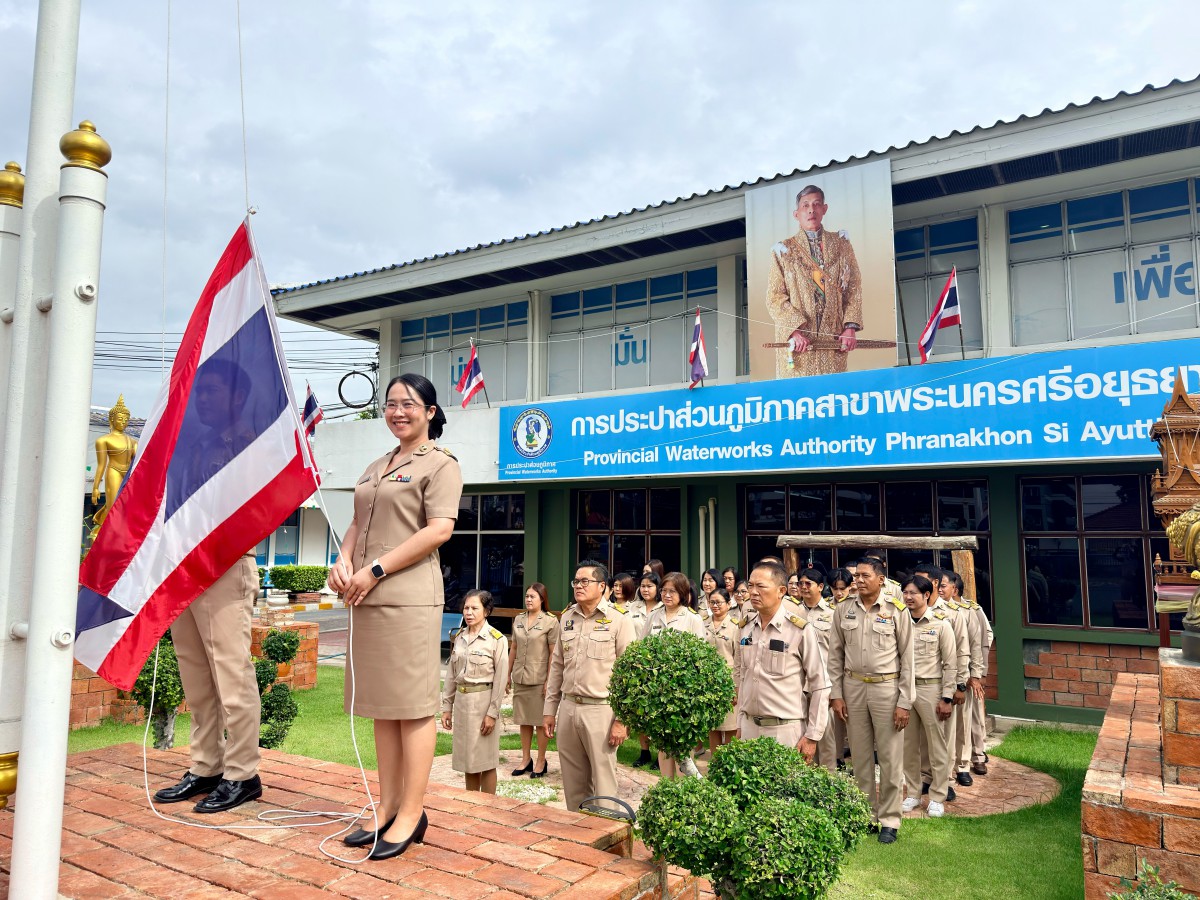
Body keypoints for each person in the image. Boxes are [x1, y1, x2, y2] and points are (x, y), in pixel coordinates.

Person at [329, 373, 461, 860]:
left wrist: (376, 569)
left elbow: (439, 530)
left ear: (430, 412)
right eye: (390, 404)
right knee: (382, 705)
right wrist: (342, 561)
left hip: (407, 598)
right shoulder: (376, 466)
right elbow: (357, 523)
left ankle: (412, 811)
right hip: (366, 597)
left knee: (412, 706)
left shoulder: (441, 464)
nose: (398, 412)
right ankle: (386, 806)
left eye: (408, 404)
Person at [154, 362, 265, 814]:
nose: (201, 399)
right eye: (199, 392)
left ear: (237, 397)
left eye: (211, 391)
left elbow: (258, 508)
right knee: (196, 674)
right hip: (185, 567)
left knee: (232, 676)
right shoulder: (195, 445)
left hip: (225, 566)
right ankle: (206, 766)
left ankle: (242, 774)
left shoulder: (252, 445)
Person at [828, 558, 914, 845]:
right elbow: (835, 655)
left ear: (881, 579)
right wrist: (836, 694)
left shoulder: (896, 610)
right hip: (852, 687)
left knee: (890, 757)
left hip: (886, 688)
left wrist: (904, 702)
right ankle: (866, 815)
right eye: (857, 576)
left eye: (866, 575)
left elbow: (908, 659)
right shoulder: (843, 609)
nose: (859, 580)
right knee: (861, 757)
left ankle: (889, 820)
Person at [544, 561, 636, 812]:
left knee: (604, 784)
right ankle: (577, 830)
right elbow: (557, 667)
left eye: (585, 581)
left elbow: (630, 675)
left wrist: (622, 720)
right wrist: (550, 710)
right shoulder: (567, 618)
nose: (578, 586)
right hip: (569, 708)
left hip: (601, 711)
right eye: (576, 581)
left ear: (602, 586)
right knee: (573, 783)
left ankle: (606, 831)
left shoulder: (619, 621)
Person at [765, 184, 864, 378]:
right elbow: (775, 297)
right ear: (796, 214)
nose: (811, 210)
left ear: (824, 209)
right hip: (799, 346)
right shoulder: (783, 251)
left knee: (833, 393)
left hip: (833, 342)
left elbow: (853, 287)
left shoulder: (841, 245)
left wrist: (850, 328)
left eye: (816, 204)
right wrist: (793, 331)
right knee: (797, 395)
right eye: (805, 205)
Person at [734, 561, 830, 761]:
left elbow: (820, 684)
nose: (753, 592)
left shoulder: (799, 630)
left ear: (781, 591)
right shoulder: (745, 628)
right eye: (750, 586)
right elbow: (744, 677)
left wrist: (812, 736)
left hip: (785, 731)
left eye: (761, 586)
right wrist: (740, 722)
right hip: (750, 728)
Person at [898, 576, 958, 819]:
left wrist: (947, 697)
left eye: (913, 593)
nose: (908, 597)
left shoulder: (941, 625)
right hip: (904, 691)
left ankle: (937, 797)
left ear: (926, 595)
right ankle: (913, 793)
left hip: (930, 689)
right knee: (908, 745)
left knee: (937, 747)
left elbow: (950, 664)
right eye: (905, 592)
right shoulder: (899, 621)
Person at [640, 572, 708, 778]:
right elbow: (642, 649)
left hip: (682, 693)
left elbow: (700, 658)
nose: (667, 595)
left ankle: (683, 788)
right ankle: (666, 784)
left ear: (683, 593)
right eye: (664, 590)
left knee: (682, 743)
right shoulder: (653, 616)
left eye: (673, 591)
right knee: (662, 741)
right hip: (657, 690)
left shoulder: (693, 619)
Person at [441, 590, 508, 793]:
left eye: (474, 608)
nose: (469, 612)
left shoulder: (496, 639)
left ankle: (488, 805)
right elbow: (451, 674)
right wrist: (447, 707)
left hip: (483, 704)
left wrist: (492, 713)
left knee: (486, 761)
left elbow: (500, 680)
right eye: (466, 608)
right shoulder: (460, 637)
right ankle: (471, 803)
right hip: (463, 704)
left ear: (486, 611)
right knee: (468, 761)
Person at [914, 564, 968, 800]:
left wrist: (959, 685)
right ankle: (927, 777)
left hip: (943, 684)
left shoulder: (952, 613)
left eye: (921, 581)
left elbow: (962, 652)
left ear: (934, 584)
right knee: (921, 739)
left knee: (943, 738)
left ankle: (945, 781)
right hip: (916, 686)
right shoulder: (909, 613)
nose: (915, 587)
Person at [941, 570, 991, 779]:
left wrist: (978, 673)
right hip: (943, 675)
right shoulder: (934, 610)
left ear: (955, 589)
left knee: (971, 719)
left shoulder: (970, 610)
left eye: (943, 585)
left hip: (967, 674)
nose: (939, 589)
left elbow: (981, 641)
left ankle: (974, 758)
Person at [507, 582, 559, 778]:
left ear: (542, 599)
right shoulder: (519, 619)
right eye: (527, 596)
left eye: (532, 597)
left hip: (539, 678)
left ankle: (540, 761)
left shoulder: (550, 622)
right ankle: (525, 758)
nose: (528, 600)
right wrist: (507, 674)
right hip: (521, 676)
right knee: (524, 720)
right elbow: (514, 647)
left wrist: (549, 681)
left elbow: (554, 653)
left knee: (540, 722)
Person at [794, 568, 839, 773]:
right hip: (799, 684)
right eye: (800, 583)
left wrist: (836, 689)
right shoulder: (793, 612)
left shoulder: (832, 613)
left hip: (824, 684)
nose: (803, 587)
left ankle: (828, 778)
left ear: (821, 587)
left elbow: (839, 653)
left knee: (825, 737)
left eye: (808, 583)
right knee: (801, 736)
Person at [631, 572, 663, 769]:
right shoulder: (632, 607)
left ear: (658, 588)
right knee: (640, 711)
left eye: (650, 586)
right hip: (637, 664)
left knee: (657, 712)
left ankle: (660, 755)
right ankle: (644, 752)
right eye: (642, 586)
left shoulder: (663, 607)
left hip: (658, 667)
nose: (645, 589)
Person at [705, 588, 740, 754]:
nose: (715, 606)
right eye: (712, 602)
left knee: (731, 726)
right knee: (713, 726)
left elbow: (739, 660)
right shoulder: (703, 624)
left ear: (728, 604)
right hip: (708, 683)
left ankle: (729, 763)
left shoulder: (735, 627)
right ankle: (715, 763)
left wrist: (736, 688)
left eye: (719, 602)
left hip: (728, 683)